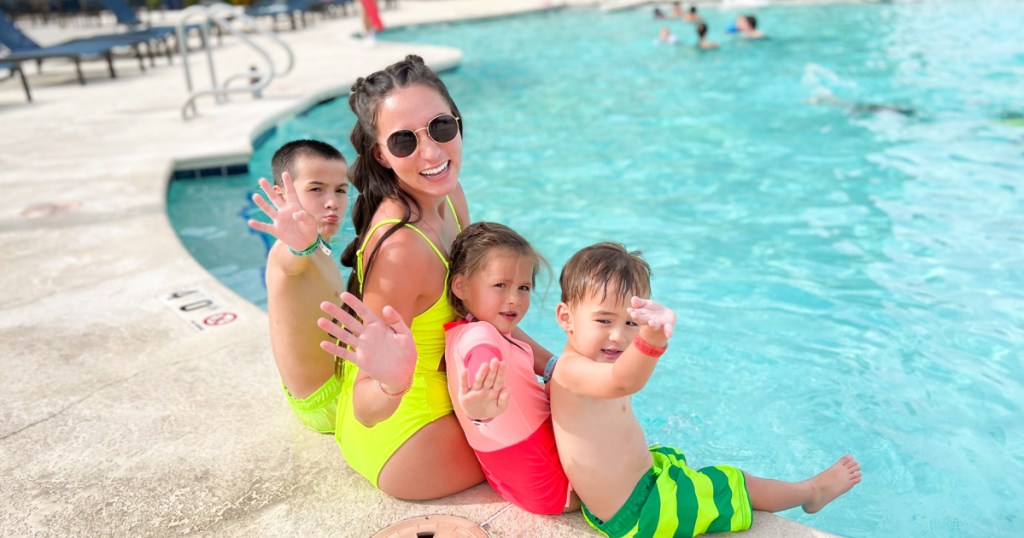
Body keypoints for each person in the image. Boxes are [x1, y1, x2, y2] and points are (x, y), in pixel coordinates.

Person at [316, 55, 553, 500]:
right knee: (571, 457)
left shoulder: (450, 196)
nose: (431, 152)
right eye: (404, 141)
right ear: (381, 155)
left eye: (441, 128)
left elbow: (485, 308)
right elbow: (367, 404)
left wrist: (552, 365)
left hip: (463, 402)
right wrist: (394, 380)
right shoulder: (402, 250)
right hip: (406, 436)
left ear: (459, 124)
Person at [549, 243, 862, 537]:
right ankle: (810, 492)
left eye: (631, 324)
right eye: (604, 320)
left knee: (676, 463)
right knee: (733, 483)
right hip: (640, 513)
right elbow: (623, 381)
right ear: (566, 317)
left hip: (632, 494)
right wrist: (652, 338)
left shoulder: (584, 365)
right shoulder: (571, 370)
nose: (618, 336)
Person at [443, 222, 578, 514]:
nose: (514, 298)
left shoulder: (463, 330)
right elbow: (483, 360)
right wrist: (479, 410)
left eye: (524, 287)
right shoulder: (481, 337)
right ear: (461, 286)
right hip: (555, 484)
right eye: (500, 285)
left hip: (516, 484)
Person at [246, 140, 349, 434]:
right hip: (328, 401)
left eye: (340, 190)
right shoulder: (287, 253)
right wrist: (299, 246)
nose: (333, 202)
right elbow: (293, 260)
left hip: (322, 391)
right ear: (282, 196)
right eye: (316, 189)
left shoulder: (318, 246)